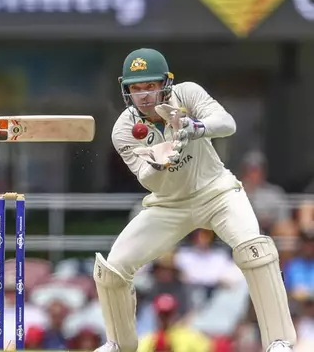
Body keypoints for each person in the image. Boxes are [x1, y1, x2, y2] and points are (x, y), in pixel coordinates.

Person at [93, 48, 296, 352]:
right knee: (112, 269)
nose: (145, 95)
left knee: (256, 250)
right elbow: (147, 180)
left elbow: (227, 123)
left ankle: (279, 341)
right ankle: (118, 344)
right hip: (168, 204)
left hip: (217, 192)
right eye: (136, 89)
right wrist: (158, 162)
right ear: (127, 91)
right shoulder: (124, 130)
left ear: (166, 83)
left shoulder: (186, 95)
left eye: (150, 85)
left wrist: (195, 127)